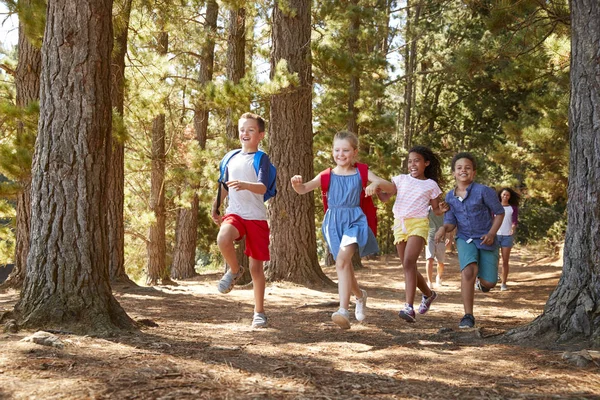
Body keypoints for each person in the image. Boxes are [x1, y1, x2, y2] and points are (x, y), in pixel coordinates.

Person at [291, 131, 385, 329]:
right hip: (333, 223)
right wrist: (296, 184)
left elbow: (383, 184)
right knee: (345, 266)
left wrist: (375, 184)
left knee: (341, 262)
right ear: (332, 151)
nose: (341, 154)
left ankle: (343, 310)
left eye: (346, 150)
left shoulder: (361, 172)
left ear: (355, 152)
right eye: (337, 150)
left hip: (354, 220)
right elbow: (303, 189)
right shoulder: (326, 175)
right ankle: (359, 296)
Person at [367, 146, 445, 323]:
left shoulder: (431, 185)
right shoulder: (400, 179)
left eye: (416, 160)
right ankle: (429, 294)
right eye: (410, 161)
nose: (412, 164)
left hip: (418, 223)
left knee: (409, 262)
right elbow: (387, 198)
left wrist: (442, 209)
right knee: (407, 266)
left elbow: (436, 210)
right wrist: (378, 192)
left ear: (426, 163)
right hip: (399, 224)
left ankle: (408, 307)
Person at [211, 112, 271, 328]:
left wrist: (245, 184)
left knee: (257, 268)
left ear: (260, 135)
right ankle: (235, 270)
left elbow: (263, 187)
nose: (245, 133)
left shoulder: (261, 158)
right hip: (234, 213)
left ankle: (259, 312)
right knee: (223, 238)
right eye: (242, 129)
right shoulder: (230, 157)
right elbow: (224, 185)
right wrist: (215, 206)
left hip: (256, 217)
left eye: (251, 130)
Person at [434, 152, 505, 329]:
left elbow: (499, 213)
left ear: (473, 173)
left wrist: (491, 233)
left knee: (490, 282)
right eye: (459, 168)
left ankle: (484, 282)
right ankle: (468, 315)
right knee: (467, 272)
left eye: (467, 168)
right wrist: (443, 229)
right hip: (465, 238)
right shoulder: (450, 196)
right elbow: (451, 222)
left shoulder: (484, 191)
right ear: (453, 173)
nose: (463, 170)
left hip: (486, 239)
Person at [497, 187, 520, 291]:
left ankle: (503, 283)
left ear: (510, 197)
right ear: (500, 195)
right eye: (504, 194)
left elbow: (514, 221)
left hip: (507, 236)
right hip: (495, 235)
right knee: (493, 260)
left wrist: (513, 229)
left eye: (507, 195)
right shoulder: (495, 207)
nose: (505, 196)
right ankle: (491, 279)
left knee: (505, 261)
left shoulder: (513, 208)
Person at [425, 205, 448, 289]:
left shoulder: (445, 210)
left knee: (440, 262)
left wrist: (448, 236)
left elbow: (448, 224)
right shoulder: (427, 210)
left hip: (441, 239)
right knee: (429, 259)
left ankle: (438, 277)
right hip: (430, 238)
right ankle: (429, 282)